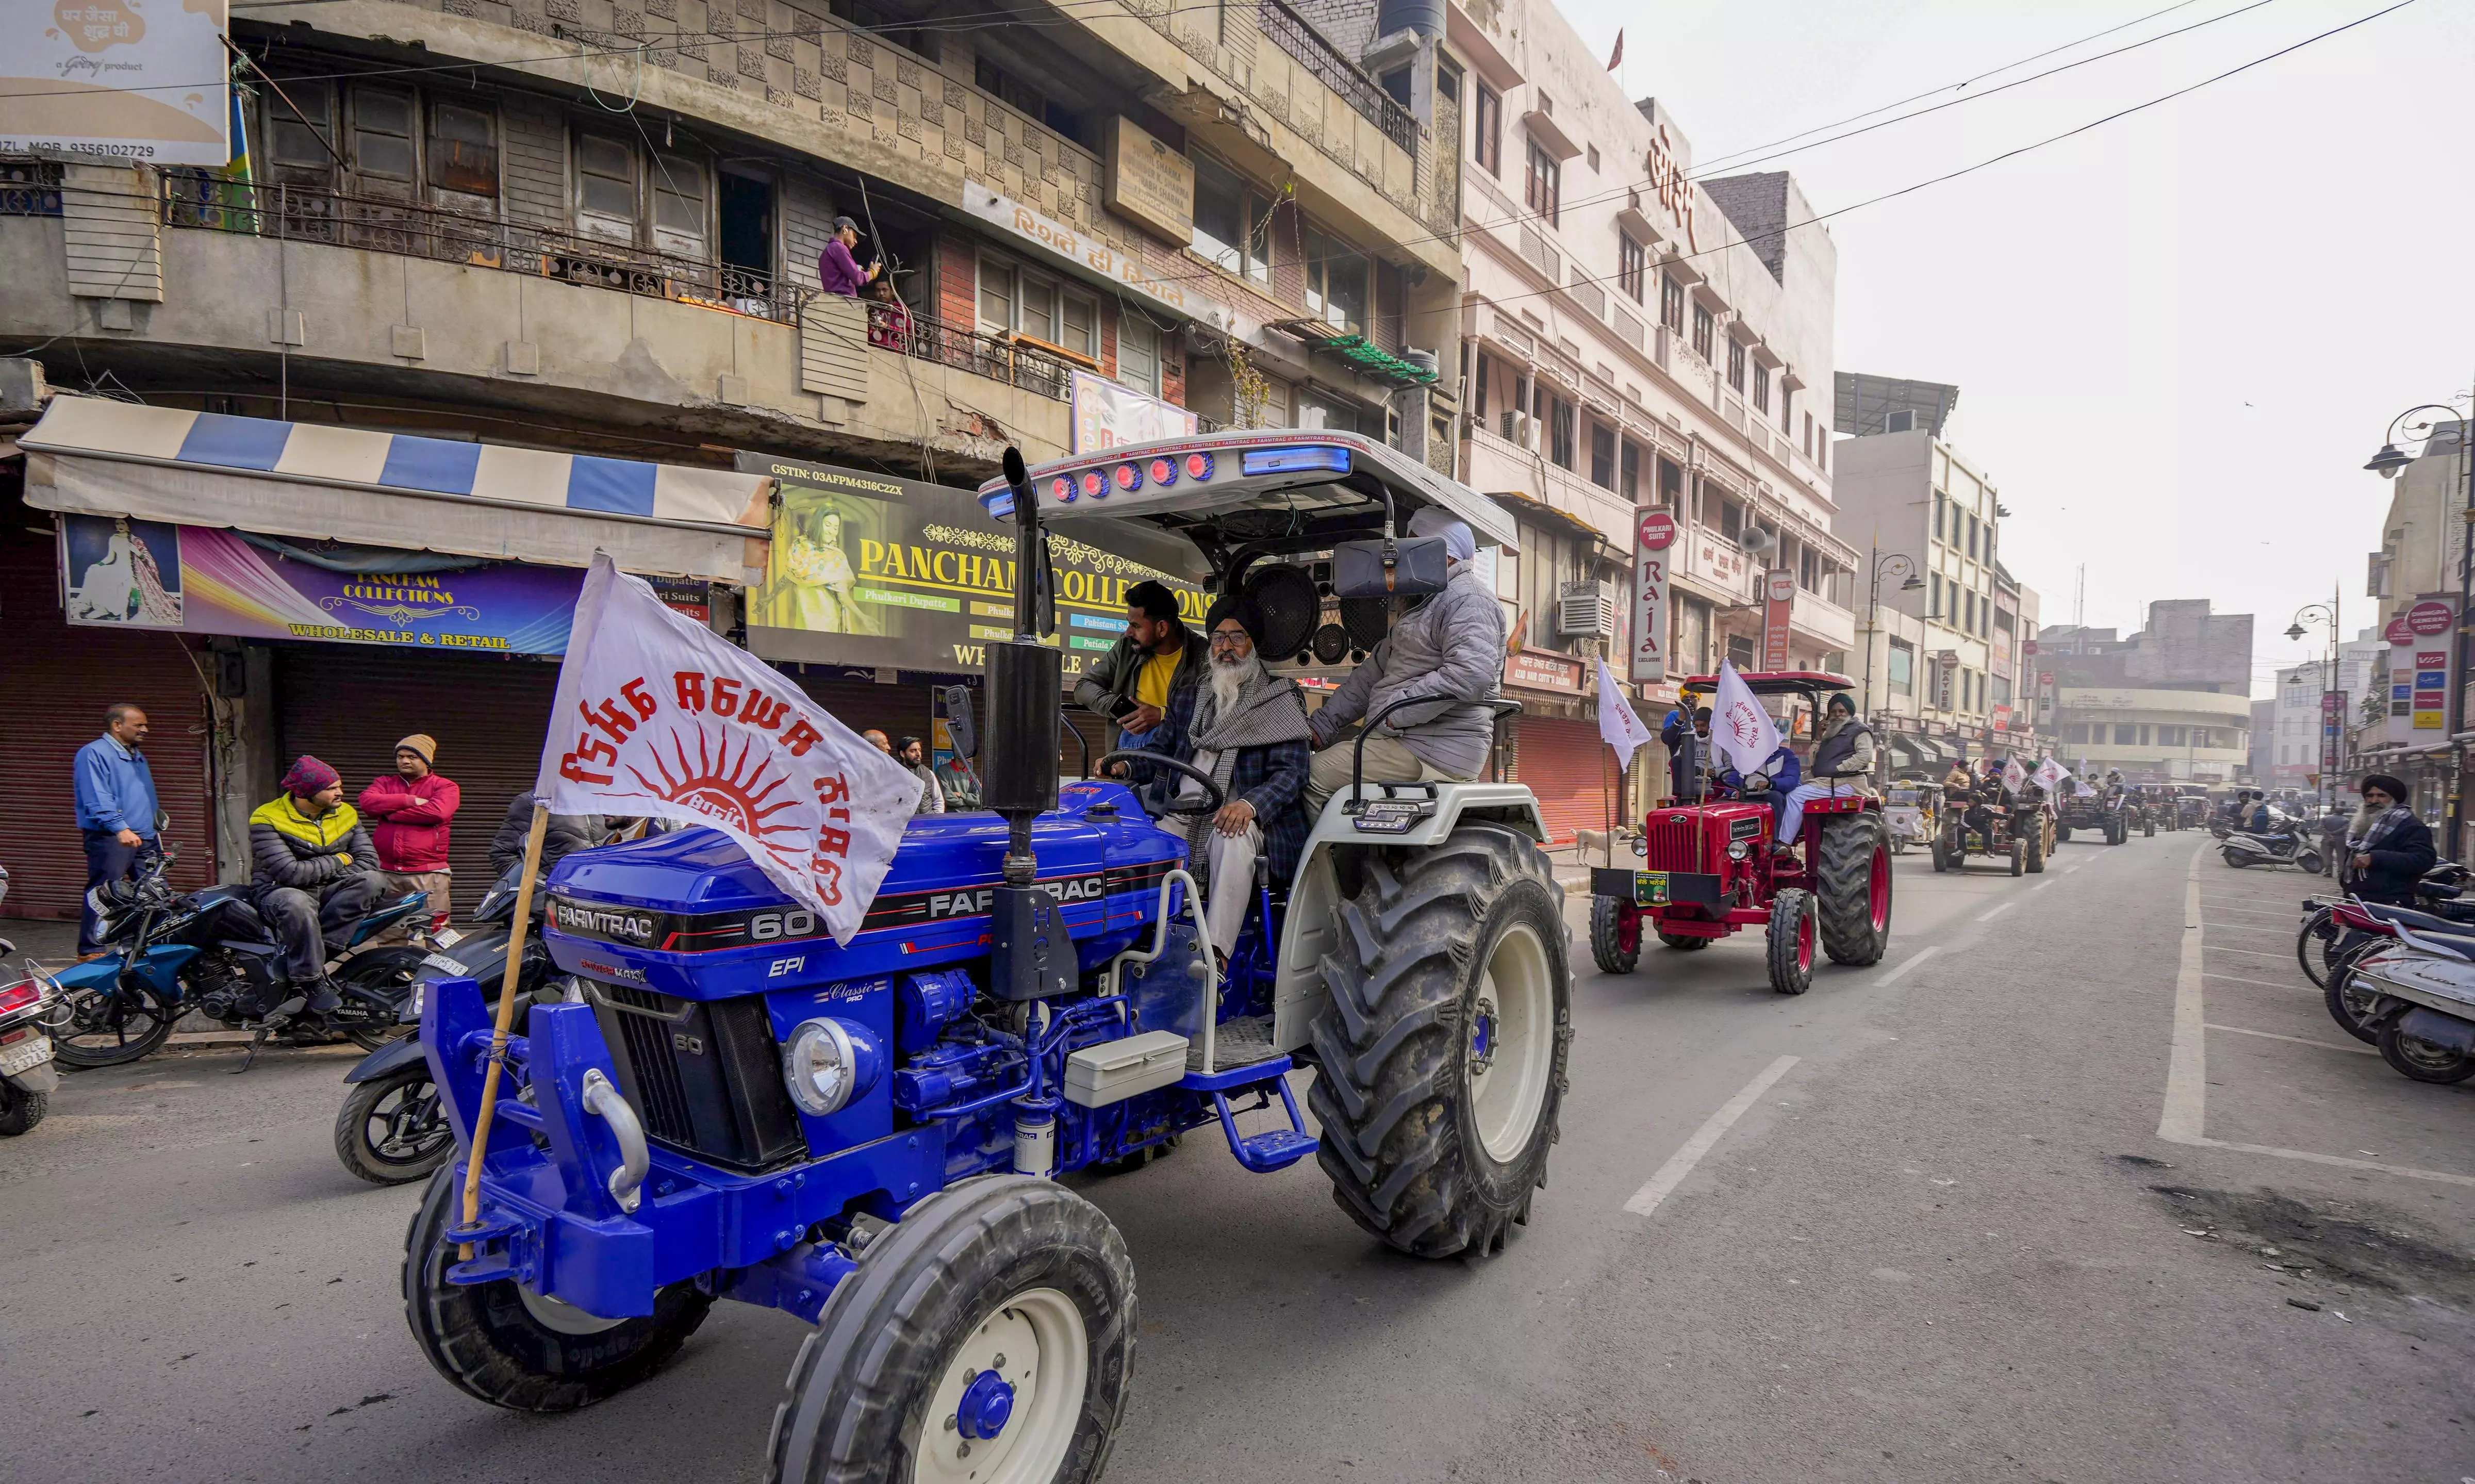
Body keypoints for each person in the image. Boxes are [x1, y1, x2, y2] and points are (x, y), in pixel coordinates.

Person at [1126, 599, 1313, 959]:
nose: (1226, 648)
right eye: (1218, 638)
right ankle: (1142, 948)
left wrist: (1249, 805)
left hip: (1248, 818)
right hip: (1182, 813)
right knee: (1139, 842)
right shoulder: (1189, 696)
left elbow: (1293, 773)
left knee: (1232, 838)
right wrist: (1127, 768)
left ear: (1252, 644)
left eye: (1236, 638)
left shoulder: (1280, 698)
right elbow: (1161, 751)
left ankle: (1214, 959)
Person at [1304, 508, 1507, 814]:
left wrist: (1394, 715)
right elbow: (1372, 675)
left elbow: (1470, 674)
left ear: (1444, 555)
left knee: (1309, 776)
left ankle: (1313, 864)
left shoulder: (1468, 600)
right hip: (1407, 739)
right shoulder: (1422, 604)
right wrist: (1323, 724)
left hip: (1432, 747)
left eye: (1412, 550)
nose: (1401, 562)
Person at [249, 757, 383, 1017]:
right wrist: (340, 859)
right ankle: (310, 980)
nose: (340, 793)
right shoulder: (267, 818)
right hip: (279, 892)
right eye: (332, 788)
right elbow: (290, 872)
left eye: (339, 786)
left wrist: (322, 872)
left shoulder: (346, 814)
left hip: (327, 888)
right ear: (306, 793)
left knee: (373, 881)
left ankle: (318, 953)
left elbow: (369, 861)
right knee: (296, 903)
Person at [1073, 579, 1204, 749]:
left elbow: (1212, 713)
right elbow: (1083, 687)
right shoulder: (1127, 646)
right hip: (1129, 745)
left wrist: (1162, 715)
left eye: (1135, 626)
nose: (1128, 632)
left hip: (1178, 749)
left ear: (1162, 628)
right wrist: (1121, 707)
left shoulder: (1204, 655)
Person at [74, 702, 160, 952]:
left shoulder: (135, 754)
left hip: (145, 836)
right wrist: (119, 827)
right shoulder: (94, 753)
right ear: (117, 726)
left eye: (146, 725)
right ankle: (91, 950)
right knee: (104, 892)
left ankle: (136, 946)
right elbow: (96, 796)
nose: (145, 730)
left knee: (152, 893)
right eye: (139, 725)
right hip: (112, 836)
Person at [356, 734, 460, 934]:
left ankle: (437, 966)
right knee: (390, 935)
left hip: (429, 873)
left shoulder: (445, 786)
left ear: (427, 761)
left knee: (437, 933)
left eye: (412, 757)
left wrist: (389, 813)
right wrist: (408, 800)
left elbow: (437, 812)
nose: (404, 761)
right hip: (388, 873)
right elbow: (368, 803)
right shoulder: (384, 783)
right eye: (400, 756)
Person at [1777, 693, 1875, 846]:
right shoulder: (1831, 731)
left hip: (1845, 782)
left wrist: (1839, 769)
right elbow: (1814, 760)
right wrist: (1818, 737)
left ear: (1849, 712)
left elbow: (1865, 756)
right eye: (1834, 711)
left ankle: (1784, 843)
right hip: (1821, 780)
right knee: (1784, 788)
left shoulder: (1860, 730)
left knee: (1796, 796)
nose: (1837, 715)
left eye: (1842, 711)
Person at [2342, 773, 2434, 904]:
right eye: (2370, 796)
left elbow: (2424, 860)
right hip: (2357, 900)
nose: (2374, 801)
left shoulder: (2410, 825)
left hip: (2391, 902)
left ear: (2393, 799)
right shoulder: (2361, 824)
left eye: (2381, 796)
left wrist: (2376, 858)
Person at [489, 792, 609, 879]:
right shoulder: (534, 803)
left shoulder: (610, 803)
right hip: (557, 897)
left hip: (603, 895)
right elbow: (503, 854)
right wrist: (542, 885)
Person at [816, 216, 879, 299]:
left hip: (834, 300)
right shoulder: (839, 247)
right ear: (845, 229)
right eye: (854, 235)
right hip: (844, 301)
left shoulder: (827, 252)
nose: (856, 241)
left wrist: (856, 270)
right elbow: (858, 278)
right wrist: (873, 272)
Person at [895, 735, 945, 815]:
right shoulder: (894, 774)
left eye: (919, 750)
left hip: (927, 823)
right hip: (904, 825)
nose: (918, 754)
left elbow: (938, 801)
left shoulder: (928, 774)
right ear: (903, 754)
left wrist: (936, 820)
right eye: (913, 751)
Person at [865, 274, 912, 350]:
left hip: (894, 352)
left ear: (892, 292)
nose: (881, 293)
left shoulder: (901, 309)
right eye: (878, 290)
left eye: (884, 290)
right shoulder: (873, 310)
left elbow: (908, 335)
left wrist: (887, 327)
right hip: (874, 351)